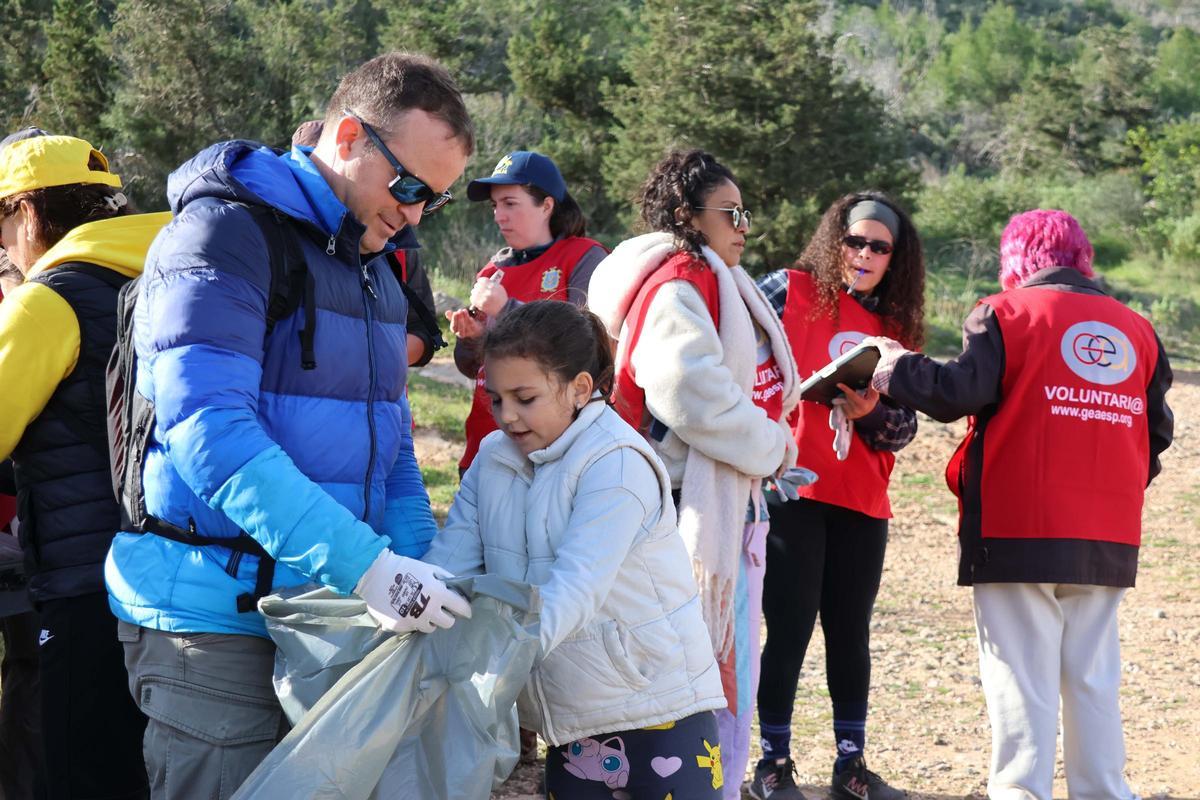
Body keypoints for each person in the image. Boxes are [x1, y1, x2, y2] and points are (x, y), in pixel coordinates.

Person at [104, 53, 475, 798]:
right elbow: (212, 435)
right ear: (346, 136)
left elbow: (393, 449)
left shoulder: (375, 264)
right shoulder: (220, 237)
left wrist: (413, 574)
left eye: (433, 201)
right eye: (406, 188)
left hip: (329, 619)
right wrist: (371, 570)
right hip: (213, 620)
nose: (412, 215)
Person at [866, 209, 1173, 800]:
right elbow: (1156, 431)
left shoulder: (1005, 313)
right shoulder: (1138, 329)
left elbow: (957, 392)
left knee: (1020, 678)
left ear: (1017, 259)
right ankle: (1105, 791)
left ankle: (1020, 792)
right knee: (1093, 677)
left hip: (1017, 526)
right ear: (1082, 257)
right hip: (1107, 531)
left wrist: (892, 367)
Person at [424, 299, 727, 798]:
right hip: (572, 721)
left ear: (580, 389)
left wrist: (492, 661)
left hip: (660, 710)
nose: (507, 417)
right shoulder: (492, 460)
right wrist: (408, 608)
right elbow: (450, 565)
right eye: (496, 400)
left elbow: (575, 588)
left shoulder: (616, 461)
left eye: (525, 398)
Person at [588, 149, 801, 799]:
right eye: (729, 212)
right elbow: (688, 391)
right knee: (688, 670)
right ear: (687, 217)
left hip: (669, 495)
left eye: (746, 212)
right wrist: (773, 445)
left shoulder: (694, 274)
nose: (744, 225)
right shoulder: (681, 280)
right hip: (678, 504)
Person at [0, 132, 173, 798]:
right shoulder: (167, 276)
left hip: (82, 583)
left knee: (75, 770)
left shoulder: (49, 300)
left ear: (28, 211)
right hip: (177, 579)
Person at [749, 193, 924, 800]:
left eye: (880, 247)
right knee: (789, 628)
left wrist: (873, 413)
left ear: (895, 258)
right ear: (834, 240)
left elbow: (905, 429)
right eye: (855, 241)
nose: (865, 254)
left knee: (849, 633)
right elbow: (729, 356)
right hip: (791, 491)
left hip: (862, 499)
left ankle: (851, 766)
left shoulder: (895, 328)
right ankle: (773, 763)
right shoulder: (787, 289)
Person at [445, 150, 607, 473]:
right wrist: (473, 339)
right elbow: (472, 368)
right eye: (495, 205)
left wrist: (505, 309)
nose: (498, 216)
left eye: (510, 203)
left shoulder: (584, 258)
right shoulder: (492, 271)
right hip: (484, 449)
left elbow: (585, 349)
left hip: (553, 455)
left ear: (546, 205)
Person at [292, 119, 443, 367]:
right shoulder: (275, 235)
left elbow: (424, 332)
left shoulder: (400, 243)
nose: (414, 217)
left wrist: (368, 364)